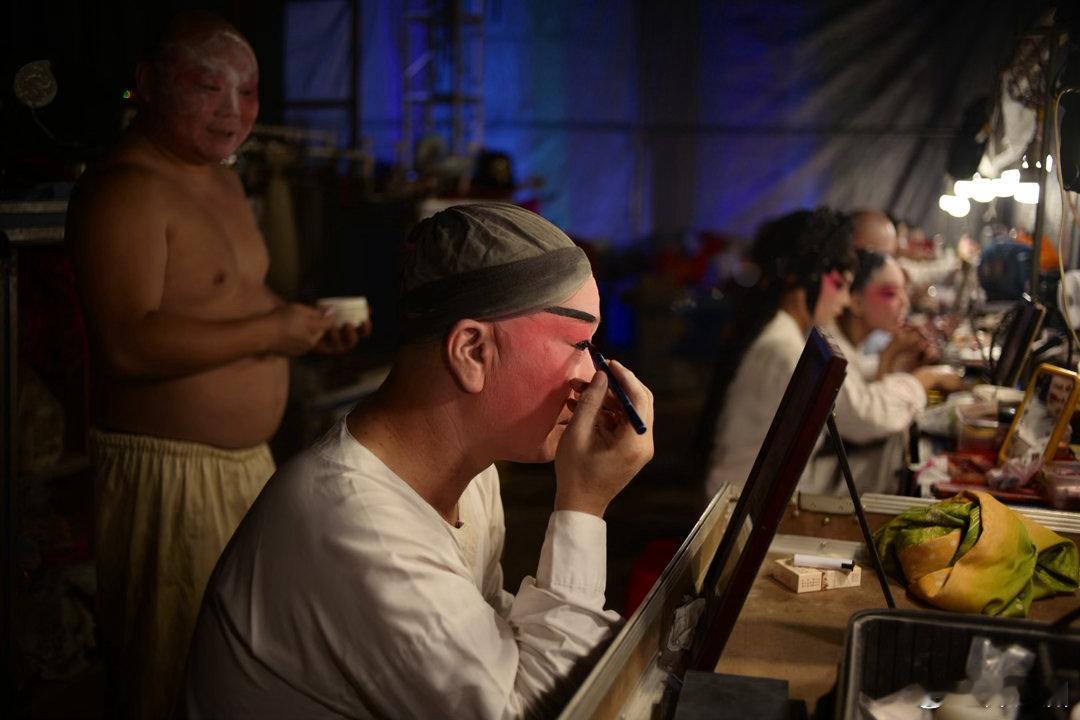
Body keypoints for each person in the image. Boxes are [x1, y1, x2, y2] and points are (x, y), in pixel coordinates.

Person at [179, 203, 655, 718]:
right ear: (472, 350)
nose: (592, 375)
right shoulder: (360, 525)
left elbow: (495, 647)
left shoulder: (471, 474)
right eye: (579, 343)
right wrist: (583, 505)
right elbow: (536, 713)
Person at [65, 12, 366, 717]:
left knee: (246, 676)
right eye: (208, 87)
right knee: (174, 680)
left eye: (249, 91)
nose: (233, 110)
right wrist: (272, 328)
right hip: (170, 476)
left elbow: (233, 297)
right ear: (148, 84)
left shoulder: (221, 181)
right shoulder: (126, 189)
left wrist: (303, 328)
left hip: (246, 467)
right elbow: (126, 345)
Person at [703, 208, 856, 497]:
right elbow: (856, 416)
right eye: (839, 284)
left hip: (744, 497)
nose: (846, 300)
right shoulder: (783, 347)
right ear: (807, 277)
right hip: (740, 505)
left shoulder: (778, 331)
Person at [821, 250, 965, 493]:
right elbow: (867, 417)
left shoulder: (853, 347)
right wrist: (925, 379)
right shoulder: (830, 346)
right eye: (890, 293)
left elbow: (867, 383)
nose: (905, 302)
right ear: (855, 301)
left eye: (903, 291)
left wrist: (894, 358)